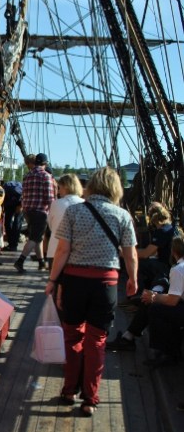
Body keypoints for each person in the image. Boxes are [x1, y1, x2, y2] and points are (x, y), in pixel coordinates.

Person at [44, 166, 138, 417]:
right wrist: (133, 280)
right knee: (96, 341)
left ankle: (68, 391)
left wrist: (53, 280)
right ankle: (90, 399)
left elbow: (63, 250)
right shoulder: (122, 216)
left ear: (92, 186)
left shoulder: (74, 212)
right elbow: (130, 254)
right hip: (105, 283)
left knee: (72, 336)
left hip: (75, 281)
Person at [141, 236, 184, 368]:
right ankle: (173, 351)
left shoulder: (178, 269)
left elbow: (172, 300)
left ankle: (165, 353)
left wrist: (154, 297)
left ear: (173, 251)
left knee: (156, 309)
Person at [14, 153, 55, 273]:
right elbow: (49, 198)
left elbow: (23, 194)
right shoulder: (46, 176)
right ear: (45, 163)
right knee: (34, 238)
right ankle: (20, 261)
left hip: (28, 211)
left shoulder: (27, 176)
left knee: (38, 238)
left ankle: (41, 263)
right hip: (40, 211)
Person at [46, 173, 84, 264]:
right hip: (77, 253)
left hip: (55, 250)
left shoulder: (55, 204)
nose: (58, 191)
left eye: (60, 187)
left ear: (66, 187)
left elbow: (51, 225)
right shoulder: (85, 204)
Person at [2, 180, 23, 251]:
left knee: (8, 223)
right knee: (17, 223)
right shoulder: (16, 188)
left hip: (12, 202)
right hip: (18, 200)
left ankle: (12, 244)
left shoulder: (4, 188)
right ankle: (13, 245)